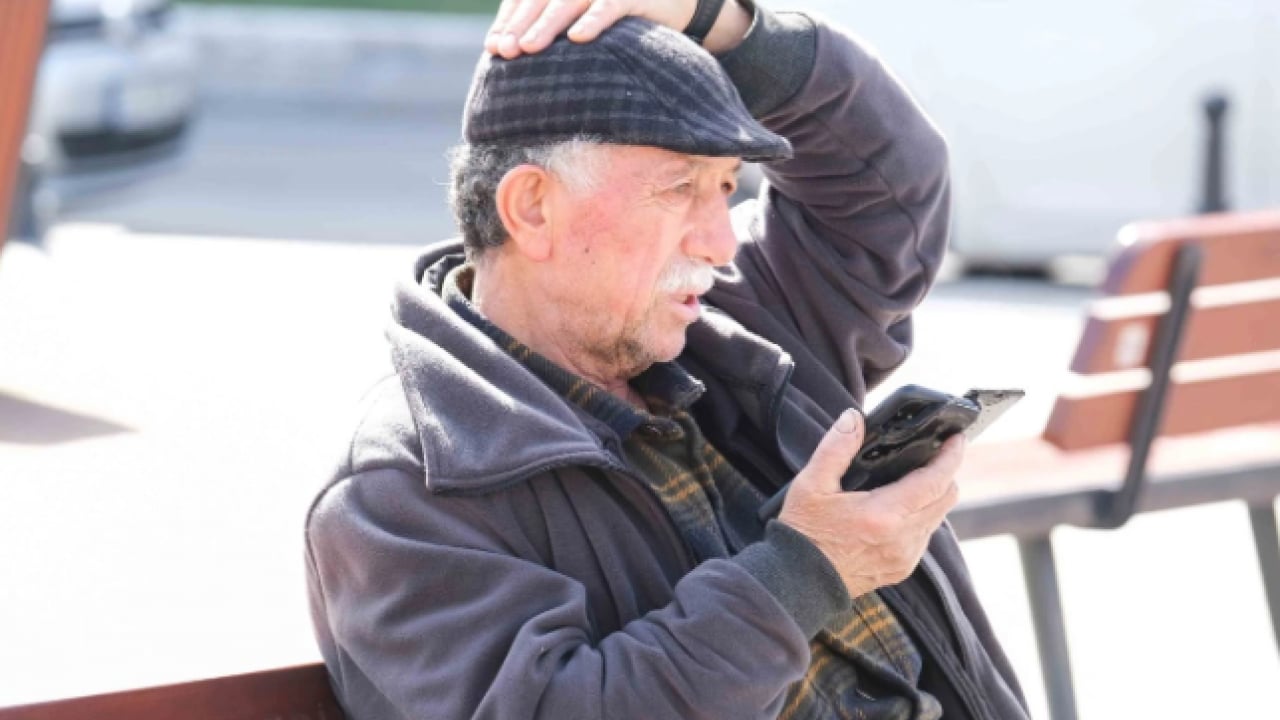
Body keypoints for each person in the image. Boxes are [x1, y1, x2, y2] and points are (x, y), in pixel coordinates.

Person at [305, 0, 1029, 718]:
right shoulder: (398, 493)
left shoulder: (737, 323)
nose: (719, 242)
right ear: (531, 209)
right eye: (680, 188)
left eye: (726, 187)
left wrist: (717, 22)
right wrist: (806, 572)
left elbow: (888, 183)